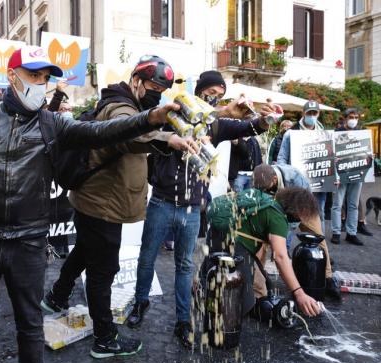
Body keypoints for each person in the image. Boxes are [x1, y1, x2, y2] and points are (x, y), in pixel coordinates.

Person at [0, 46, 181, 363]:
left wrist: (150, 119)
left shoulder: (53, 124)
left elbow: (104, 132)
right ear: (12, 76)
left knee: (30, 327)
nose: (40, 84)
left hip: (29, 243)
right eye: (33, 76)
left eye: (44, 78)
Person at [41, 55, 195, 359]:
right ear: (136, 80)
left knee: (85, 250)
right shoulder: (122, 107)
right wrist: (167, 139)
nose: (155, 94)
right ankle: (105, 339)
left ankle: (56, 296)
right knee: (103, 270)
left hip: (93, 199)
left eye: (160, 89)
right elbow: (129, 135)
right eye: (152, 86)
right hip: (103, 203)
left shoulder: (122, 100)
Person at [126, 70, 277, 347]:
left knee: (184, 265)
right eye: (211, 93)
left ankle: (183, 321)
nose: (214, 97)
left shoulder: (215, 126)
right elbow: (148, 129)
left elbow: (247, 128)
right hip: (161, 201)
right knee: (146, 258)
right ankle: (140, 303)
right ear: (200, 90)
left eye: (219, 95)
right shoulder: (174, 115)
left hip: (193, 208)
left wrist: (265, 119)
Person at [211, 187, 323, 318]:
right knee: (246, 299)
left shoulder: (271, 202)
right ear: (298, 208)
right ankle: (226, 323)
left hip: (219, 236)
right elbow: (280, 257)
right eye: (304, 215)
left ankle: (210, 293)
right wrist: (299, 293)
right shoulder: (277, 218)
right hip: (231, 243)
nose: (303, 220)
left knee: (266, 285)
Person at [252, 163, 341, 300]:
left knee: (318, 238)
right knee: (260, 242)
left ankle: (328, 278)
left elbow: (296, 215)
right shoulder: (262, 179)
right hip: (276, 210)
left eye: (266, 189)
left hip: (303, 208)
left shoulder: (295, 178)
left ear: (275, 179)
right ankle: (259, 278)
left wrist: (281, 237)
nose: (263, 191)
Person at [277, 100, 328, 232]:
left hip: (319, 184)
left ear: (318, 113)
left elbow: (330, 158)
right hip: (296, 185)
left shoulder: (325, 134)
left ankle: (317, 249)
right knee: (292, 218)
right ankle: (284, 251)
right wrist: (285, 179)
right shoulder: (290, 133)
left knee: (318, 215)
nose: (311, 115)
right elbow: (282, 158)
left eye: (314, 113)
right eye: (309, 113)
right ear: (303, 113)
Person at [331, 108, 370, 245]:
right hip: (341, 173)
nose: (354, 119)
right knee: (337, 204)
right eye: (351, 117)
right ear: (345, 118)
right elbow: (330, 152)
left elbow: (365, 152)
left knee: (353, 205)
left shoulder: (361, 133)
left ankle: (351, 233)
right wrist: (333, 158)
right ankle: (336, 232)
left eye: (356, 117)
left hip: (356, 173)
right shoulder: (336, 133)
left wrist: (370, 156)